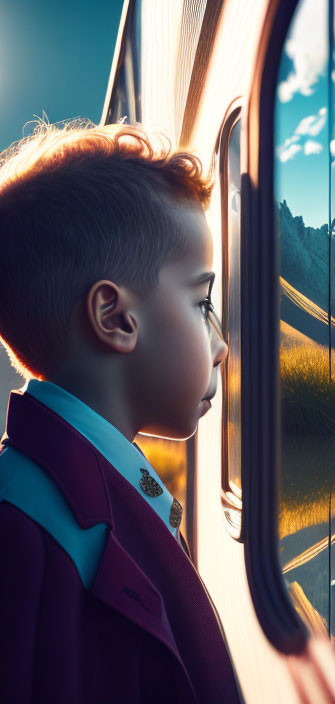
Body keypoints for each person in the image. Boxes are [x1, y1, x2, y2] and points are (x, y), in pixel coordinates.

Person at [0, 120, 242, 703]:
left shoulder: (85, 487)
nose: (221, 344)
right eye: (201, 301)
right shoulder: (23, 530)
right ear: (114, 317)